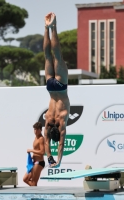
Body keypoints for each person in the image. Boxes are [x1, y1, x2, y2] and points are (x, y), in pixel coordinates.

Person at [44, 13, 70, 168]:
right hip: (50, 87)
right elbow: (47, 142)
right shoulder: (47, 119)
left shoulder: (62, 120)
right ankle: (46, 27)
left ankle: (54, 27)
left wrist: (59, 160)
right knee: (47, 57)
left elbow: (61, 145)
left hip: (61, 87)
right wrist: (50, 158)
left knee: (57, 56)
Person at [23, 122, 45, 186]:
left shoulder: (41, 139)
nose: (36, 131)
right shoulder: (36, 137)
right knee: (25, 179)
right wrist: (33, 156)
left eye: (37, 129)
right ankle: (34, 189)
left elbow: (42, 152)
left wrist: (31, 150)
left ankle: (34, 194)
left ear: (41, 130)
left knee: (34, 182)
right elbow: (37, 149)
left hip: (39, 163)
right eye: (35, 129)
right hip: (34, 161)